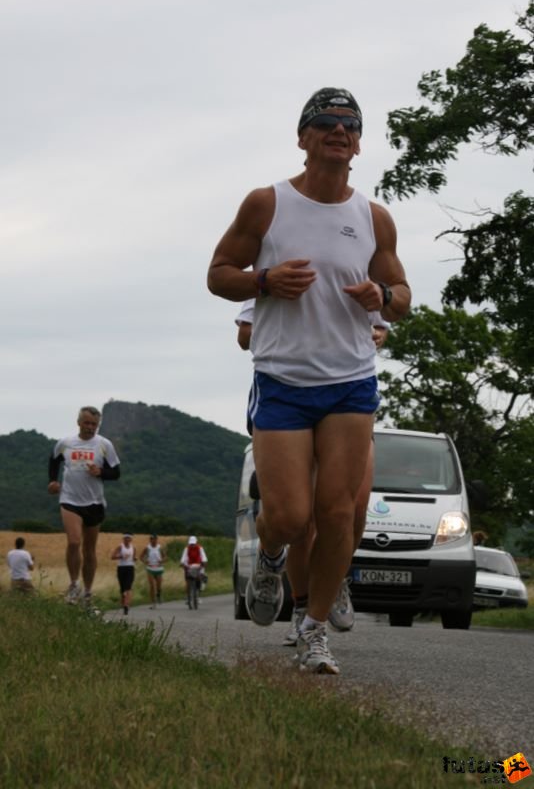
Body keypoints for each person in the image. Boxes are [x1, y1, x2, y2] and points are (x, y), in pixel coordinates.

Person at [208, 86, 411, 674]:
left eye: (350, 124)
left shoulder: (373, 218)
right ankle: (271, 555)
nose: (338, 131)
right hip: (282, 379)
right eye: (324, 122)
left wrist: (384, 295)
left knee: (340, 513)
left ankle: (314, 628)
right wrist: (264, 281)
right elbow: (219, 274)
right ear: (303, 138)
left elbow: (402, 298)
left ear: (359, 144)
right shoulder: (266, 204)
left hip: (350, 381)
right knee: (292, 516)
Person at [235, 300, 390, 644]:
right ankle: (288, 583)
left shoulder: (354, 258)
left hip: (348, 394)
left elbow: (380, 326)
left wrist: (374, 335)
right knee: (297, 521)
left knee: (352, 506)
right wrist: (303, 332)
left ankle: (333, 583)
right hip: (288, 396)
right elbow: (245, 334)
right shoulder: (281, 259)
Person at [47, 405, 121, 606]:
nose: (90, 427)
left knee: (89, 551)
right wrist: (53, 481)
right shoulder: (65, 443)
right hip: (70, 499)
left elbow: (116, 472)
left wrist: (101, 472)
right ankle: (73, 585)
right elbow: (54, 460)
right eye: (87, 423)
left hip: (95, 502)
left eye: (94, 425)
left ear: (98, 426)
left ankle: (88, 593)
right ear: (79, 422)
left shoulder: (104, 445)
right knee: (73, 542)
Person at [111, 533, 137, 615]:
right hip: (121, 568)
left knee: (128, 586)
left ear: (131, 539)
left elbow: (134, 558)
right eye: (126, 538)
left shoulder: (133, 548)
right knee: (122, 587)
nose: (127, 540)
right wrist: (121, 557)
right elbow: (112, 557)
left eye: (129, 538)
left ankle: (126, 605)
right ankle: (123, 600)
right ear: (123, 539)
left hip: (130, 567)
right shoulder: (120, 547)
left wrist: (135, 558)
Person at [140, 534, 167, 609]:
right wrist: (145, 561)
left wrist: (162, 560)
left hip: (158, 568)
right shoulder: (147, 548)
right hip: (150, 568)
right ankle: (153, 603)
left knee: (159, 586)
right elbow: (141, 557)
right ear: (150, 540)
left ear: (157, 540)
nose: (154, 541)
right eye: (152, 539)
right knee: (152, 586)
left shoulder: (160, 547)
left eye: (155, 539)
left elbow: (165, 557)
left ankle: (159, 594)